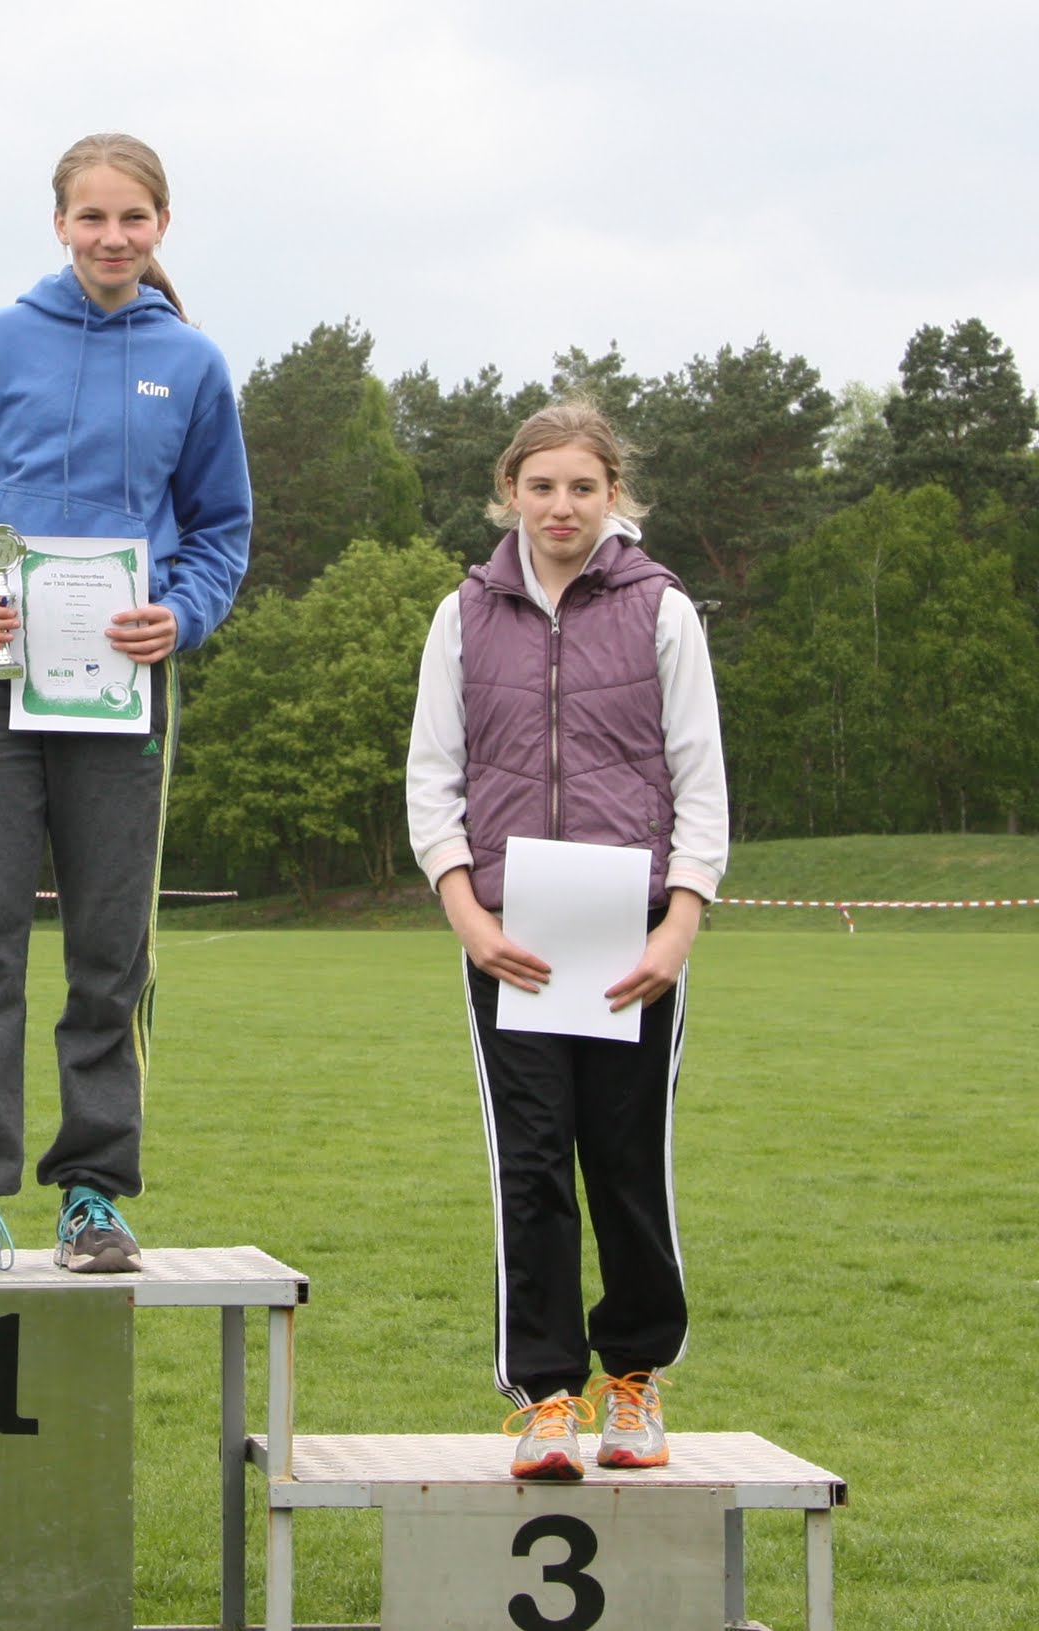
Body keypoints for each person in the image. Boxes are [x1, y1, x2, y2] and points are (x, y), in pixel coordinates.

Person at [0, 133, 251, 1277]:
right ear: (58, 223)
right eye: (90, 216)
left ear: (161, 226)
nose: (111, 236)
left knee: (111, 945)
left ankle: (94, 1193)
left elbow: (220, 528)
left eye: (131, 217)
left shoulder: (190, 362)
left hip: (120, 681)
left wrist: (180, 615)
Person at [404, 399, 727, 1479]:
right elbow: (432, 779)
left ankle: (633, 1380)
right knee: (532, 1162)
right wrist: (468, 918)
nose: (560, 505)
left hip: (634, 942)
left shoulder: (660, 608)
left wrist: (679, 926)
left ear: (612, 494)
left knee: (627, 1162)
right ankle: (547, 1396)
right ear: (509, 492)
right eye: (540, 485)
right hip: (510, 940)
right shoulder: (463, 613)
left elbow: (699, 779)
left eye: (582, 486)